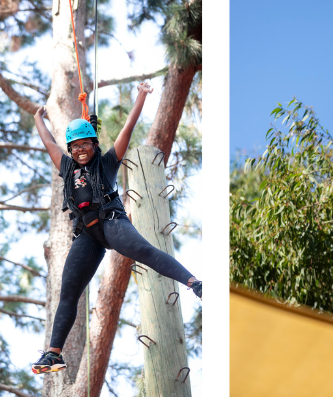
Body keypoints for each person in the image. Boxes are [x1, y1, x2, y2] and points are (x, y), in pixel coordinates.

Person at [28, 82, 203, 375]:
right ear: (71, 150)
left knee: (144, 251)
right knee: (68, 292)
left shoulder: (107, 162)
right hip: (87, 236)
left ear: (94, 145)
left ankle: (195, 283)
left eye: (86, 144)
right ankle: (54, 354)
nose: (81, 150)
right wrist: (38, 119)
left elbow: (127, 129)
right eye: (76, 146)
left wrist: (142, 96)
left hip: (111, 222)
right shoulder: (67, 166)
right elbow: (49, 143)